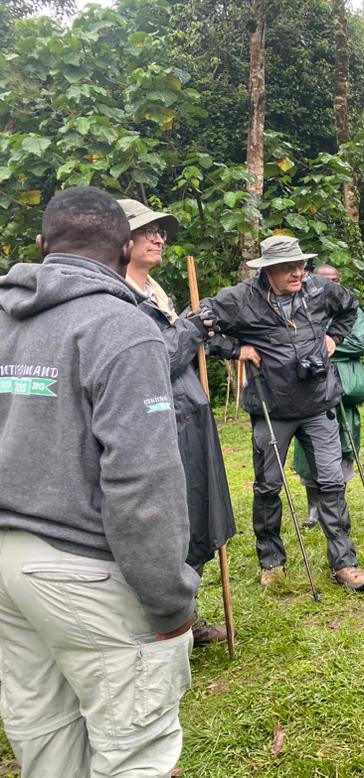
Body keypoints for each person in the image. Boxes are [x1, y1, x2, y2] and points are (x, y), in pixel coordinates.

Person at [0, 186, 199, 775]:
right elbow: (143, 481)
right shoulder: (122, 328)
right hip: (84, 568)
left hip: (7, 573)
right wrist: (170, 600)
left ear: (41, 246)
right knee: (133, 749)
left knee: (46, 741)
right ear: (122, 251)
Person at [201, 234, 364, 592]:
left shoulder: (320, 288)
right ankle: (271, 563)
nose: (298, 273)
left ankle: (345, 563)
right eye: (288, 267)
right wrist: (236, 350)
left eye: (301, 265)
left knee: (331, 483)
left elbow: (350, 307)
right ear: (268, 270)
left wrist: (334, 339)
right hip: (272, 407)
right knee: (268, 487)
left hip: (320, 401)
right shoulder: (241, 299)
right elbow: (197, 324)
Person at [119, 198, 237, 647]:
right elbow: (156, 360)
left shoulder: (155, 289)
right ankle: (163, 624)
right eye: (146, 230)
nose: (158, 237)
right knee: (167, 522)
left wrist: (194, 327)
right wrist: (191, 328)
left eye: (161, 230)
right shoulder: (118, 293)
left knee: (198, 513)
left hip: (190, 416)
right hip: (158, 422)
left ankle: (185, 615)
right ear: (118, 238)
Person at [294, 264, 364, 530]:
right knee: (307, 442)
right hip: (308, 386)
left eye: (335, 280)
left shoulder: (352, 310)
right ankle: (313, 506)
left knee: (344, 441)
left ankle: (337, 504)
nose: (331, 286)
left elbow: (358, 342)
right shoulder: (299, 306)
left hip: (342, 385)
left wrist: (322, 345)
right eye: (325, 281)